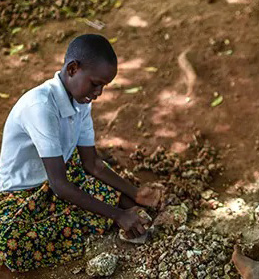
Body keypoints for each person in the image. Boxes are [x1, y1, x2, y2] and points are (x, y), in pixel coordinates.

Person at [0, 34, 163, 273]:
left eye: (103, 86)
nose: (98, 93)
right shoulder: (40, 107)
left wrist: (136, 193)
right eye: (95, 83)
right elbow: (59, 185)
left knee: (124, 201)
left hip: (63, 174)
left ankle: (108, 210)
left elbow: (93, 164)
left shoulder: (81, 102)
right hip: (23, 193)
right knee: (12, 245)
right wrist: (118, 216)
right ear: (73, 68)